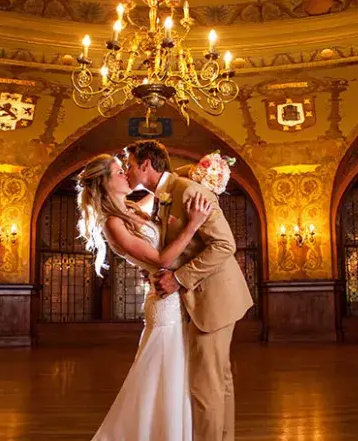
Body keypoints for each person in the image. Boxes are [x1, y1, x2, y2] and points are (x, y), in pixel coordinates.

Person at [77, 153, 212, 441]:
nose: (125, 173)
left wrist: (204, 169)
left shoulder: (131, 208)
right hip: (164, 304)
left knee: (174, 377)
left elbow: (162, 188)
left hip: (175, 298)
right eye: (118, 171)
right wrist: (194, 224)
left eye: (125, 168)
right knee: (165, 377)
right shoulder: (111, 223)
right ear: (104, 183)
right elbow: (162, 258)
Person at [124, 140, 253, 441]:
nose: (127, 172)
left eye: (129, 165)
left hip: (215, 299)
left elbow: (225, 245)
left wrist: (179, 279)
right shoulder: (165, 194)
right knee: (219, 380)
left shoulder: (190, 192)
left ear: (146, 165)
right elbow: (181, 246)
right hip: (204, 298)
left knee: (204, 385)